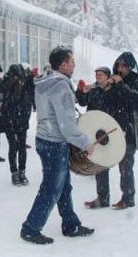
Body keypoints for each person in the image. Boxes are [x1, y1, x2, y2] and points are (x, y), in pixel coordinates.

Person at [20, 46, 95, 245]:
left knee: (63, 186)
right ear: (62, 65)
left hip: (45, 139)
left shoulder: (45, 81)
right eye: (72, 62)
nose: (74, 65)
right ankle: (30, 228)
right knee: (52, 187)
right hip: (55, 142)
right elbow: (66, 126)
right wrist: (86, 143)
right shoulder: (60, 86)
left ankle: (70, 225)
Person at [76, 66, 138, 209]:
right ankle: (103, 198)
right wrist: (80, 91)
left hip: (122, 135)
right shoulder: (94, 90)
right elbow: (82, 102)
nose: (98, 76)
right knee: (100, 166)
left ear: (108, 76)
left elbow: (135, 101)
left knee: (125, 168)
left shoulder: (118, 89)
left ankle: (128, 198)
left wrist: (120, 85)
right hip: (102, 136)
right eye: (96, 74)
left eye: (101, 74)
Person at [1, 65, 30, 186]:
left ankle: (22, 171)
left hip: (21, 121)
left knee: (22, 147)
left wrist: (25, 118)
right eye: (15, 77)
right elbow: (5, 105)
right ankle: (14, 172)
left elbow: (27, 104)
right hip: (10, 121)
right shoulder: (6, 86)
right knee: (13, 146)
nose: (18, 80)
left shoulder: (25, 87)